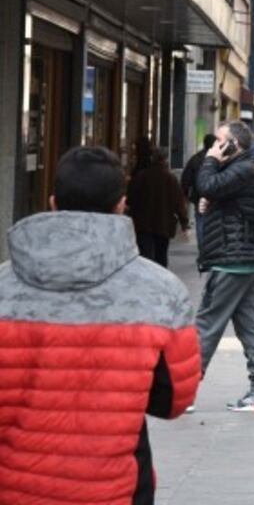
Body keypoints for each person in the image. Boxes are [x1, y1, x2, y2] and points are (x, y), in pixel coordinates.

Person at [0, 146, 200, 503]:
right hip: (115, 489)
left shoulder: (3, 287)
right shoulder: (160, 292)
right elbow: (173, 401)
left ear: (52, 202)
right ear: (121, 205)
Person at [195, 121, 254, 412]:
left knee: (206, 325)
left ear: (233, 145)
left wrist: (210, 161)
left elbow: (205, 184)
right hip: (247, 260)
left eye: (219, 141)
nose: (213, 146)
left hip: (233, 261)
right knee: (249, 326)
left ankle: (184, 390)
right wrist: (211, 204)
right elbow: (220, 196)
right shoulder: (244, 168)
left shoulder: (242, 168)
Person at [128, 146, 189, 268]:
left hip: (143, 223)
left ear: (152, 158)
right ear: (166, 159)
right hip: (163, 224)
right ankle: (161, 279)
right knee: (161, 255)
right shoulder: (171, 179)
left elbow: (131, 198)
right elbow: (179, 203)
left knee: (145, 256)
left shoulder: (141, 176)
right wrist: (184, 223)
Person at [182, 133, 218, 246]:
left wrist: (186, 193)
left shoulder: (195, 159)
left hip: (199, 196)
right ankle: (210, 247)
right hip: (215, 197)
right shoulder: (218, 159)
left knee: (201, 221)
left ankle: (203, 248)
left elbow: (185, 178)